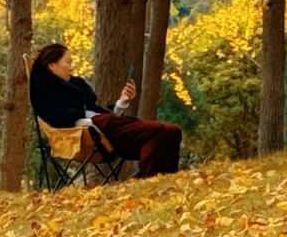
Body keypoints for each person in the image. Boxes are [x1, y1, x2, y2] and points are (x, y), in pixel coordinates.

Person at [29, 42, 181, 178]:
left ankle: (162, 179)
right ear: (52, 65)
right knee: (156, 131)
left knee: (171, 130)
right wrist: (87, 119)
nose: (71, 66)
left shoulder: (76, 85)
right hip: (85, 134)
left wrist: (122, 102)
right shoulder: (43, 91)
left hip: (104, 127)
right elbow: (56, 119)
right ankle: (150, 181)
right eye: (67, 62)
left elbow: (97, 111)